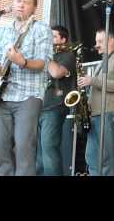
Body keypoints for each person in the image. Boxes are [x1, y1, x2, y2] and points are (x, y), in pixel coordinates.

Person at [0, 0, 53, 176]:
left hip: (29, 95)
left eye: (26, 2)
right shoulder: (4, 31)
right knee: (0, 148)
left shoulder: (41, 29)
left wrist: (22, 62)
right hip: (3, 94)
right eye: (18, 1)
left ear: (34, 8)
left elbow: (43, 63)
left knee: (24, 146)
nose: (21, 5)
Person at [78, 28, 114, 176]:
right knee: (92, 157)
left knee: (106, 159)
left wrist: (92, 80)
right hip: (96, 115)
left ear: (112, 40)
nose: (97, 45)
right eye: (96, 41)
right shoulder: (103, 62)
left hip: (109, 114)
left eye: (100, 41)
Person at [36, 25, 76, 176]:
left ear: (63, 40)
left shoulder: (68, 56)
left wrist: (45, 54)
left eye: (53, 37)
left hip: (54, 106)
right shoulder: (47, 56)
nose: (49, 40)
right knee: (38, 154)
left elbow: (56, 72)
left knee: (49, 149)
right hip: (38, 106)